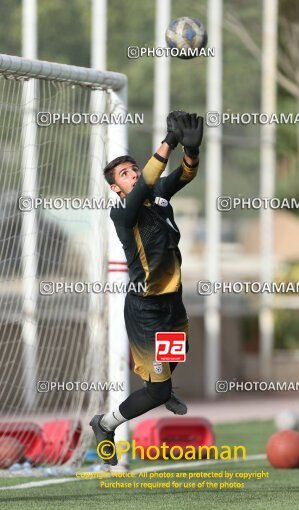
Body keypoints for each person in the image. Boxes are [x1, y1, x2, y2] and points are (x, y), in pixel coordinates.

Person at [90, 111, 204, 465]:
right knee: (158, 390)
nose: (135, 175)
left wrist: (192, 150)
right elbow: (144, 186)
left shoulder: (157, 196)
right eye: (125, 174)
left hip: (172, 301)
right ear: (115, 187)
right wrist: (168, 141)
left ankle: (164, 386)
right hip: (146, 309)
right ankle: (105, 424)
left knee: (179, 349)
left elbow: (184, 174)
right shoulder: (123, 211)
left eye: (135, 168)